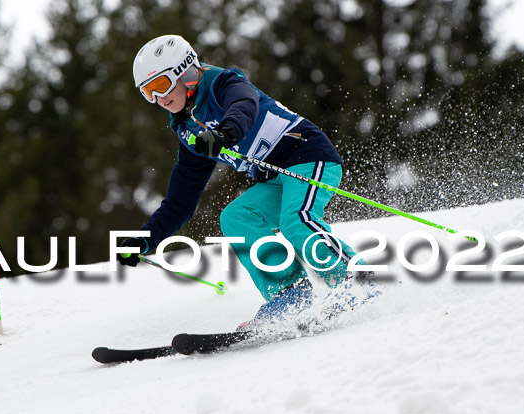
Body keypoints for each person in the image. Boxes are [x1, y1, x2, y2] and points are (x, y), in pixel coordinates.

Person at [118, 34, 362, 329]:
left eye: (160, 86)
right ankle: (291, 294)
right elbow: (180, 201)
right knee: (236, 216)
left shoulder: (223, 83)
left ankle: (357, 279)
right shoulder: (188, 132)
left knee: (295, 220)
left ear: (185, 72)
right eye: (148, 92)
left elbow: (245, 105)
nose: (158, 98)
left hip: (309, 156)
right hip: (276, 179)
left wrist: (226, 132)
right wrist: (145, 240)